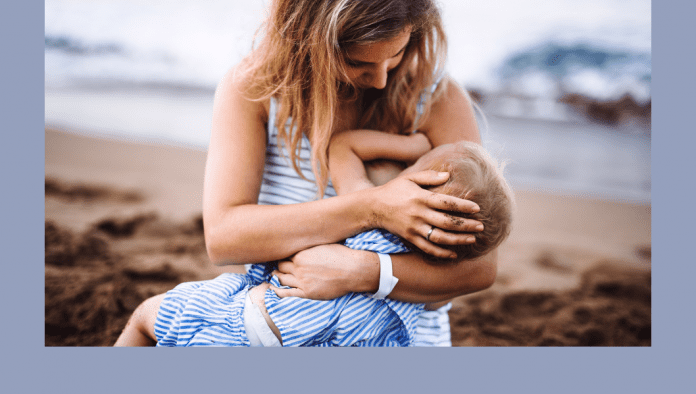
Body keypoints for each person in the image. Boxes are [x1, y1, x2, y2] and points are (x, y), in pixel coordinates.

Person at [120, 0, 496, 347]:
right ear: (307, 41)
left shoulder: (435, 100)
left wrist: (362, 270)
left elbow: (479, 268)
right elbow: (224, 237)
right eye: (357, 62)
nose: (381, 79)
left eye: (396, 53)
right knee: (154, 316)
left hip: (398, 335)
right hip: (285, 322)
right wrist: (375, 207)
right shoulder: (256, 91)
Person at [114, 134, 514, 346]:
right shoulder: (433, 275)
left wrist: (411, 146)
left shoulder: (372, 213)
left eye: (414, 168)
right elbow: (468, 275)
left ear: (419, 184)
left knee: (148, 315)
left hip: (249, 325)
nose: (404, 168)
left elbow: (342, 146)